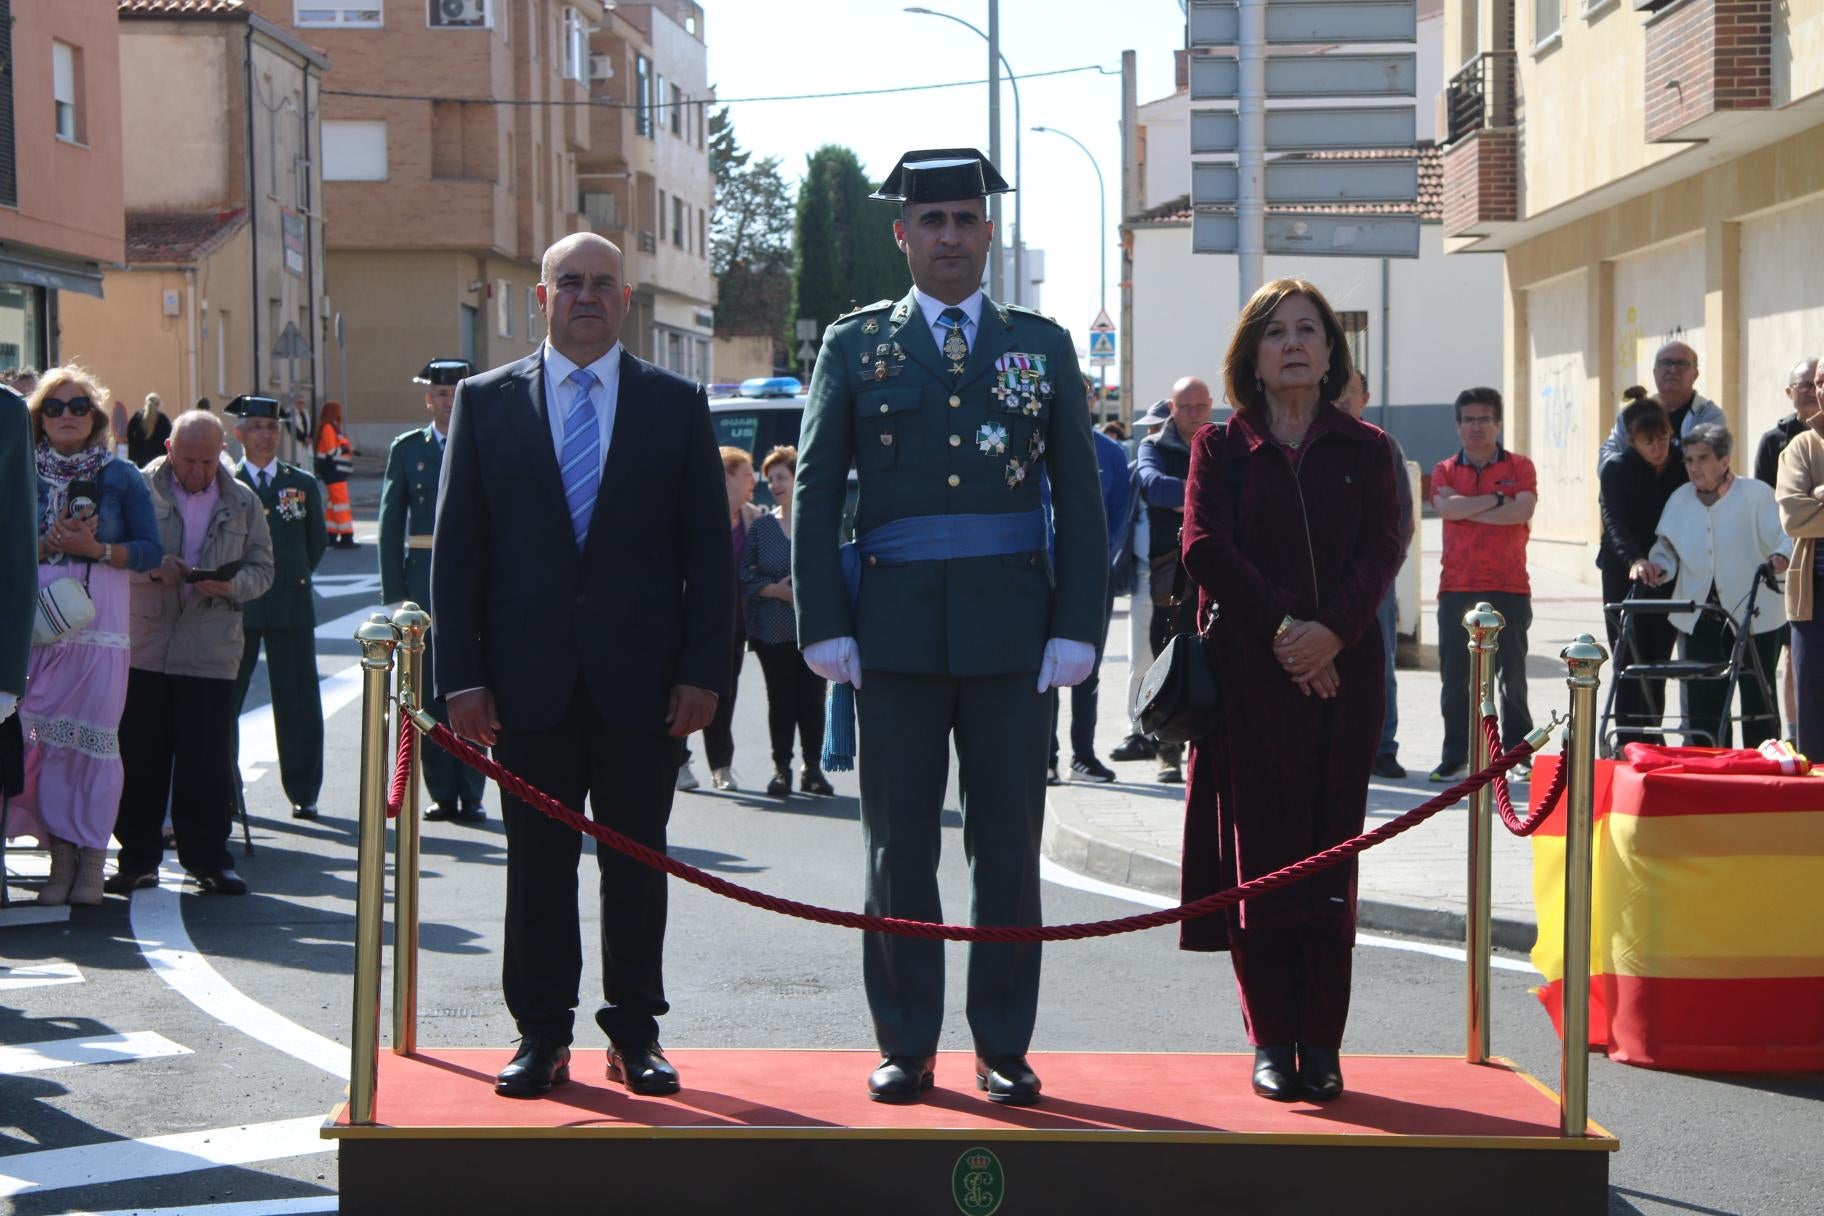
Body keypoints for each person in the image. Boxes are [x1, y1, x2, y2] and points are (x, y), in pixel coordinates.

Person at [793, 147, 1105, 1107]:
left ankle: (1003, 1044)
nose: (952, 237)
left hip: (1013, 633)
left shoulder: (1040, 346)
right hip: (893, 635)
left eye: (968, 220)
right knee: (898, 850)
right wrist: (824, 622)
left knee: (1007, 849)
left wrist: (1076, 624)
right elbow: (814, 490)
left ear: (987, 232)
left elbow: (1079, 498)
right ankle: (907, 1042)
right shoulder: (856, 346)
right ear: (903, 235)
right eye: (933, 222)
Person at [433, 231, 731, 1100]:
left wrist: (704, 672)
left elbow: (708, 558)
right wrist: (463, 678)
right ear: (541, 298)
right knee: (537, 869)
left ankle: (635, 1032)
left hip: (646, 689)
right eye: (571, 283)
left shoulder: (675, 405)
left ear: (626, 300)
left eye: (604, 284)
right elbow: (458, 555)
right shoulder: (485, 405)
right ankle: (541, 1033)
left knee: (637, 865)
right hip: (525, 689)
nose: (587, 297)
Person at [1179, 278, 1401, 1103]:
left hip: (1343, 684)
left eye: (1310, 329)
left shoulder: (1368, 449)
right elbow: (1202, 546)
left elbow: (1384, 547)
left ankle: (1323, 1042)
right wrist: (1285, 633)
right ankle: (1272, 1040)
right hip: (1251, 686)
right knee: (1262, 866)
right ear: (1253, 356)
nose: (1296, 343)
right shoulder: (1220, 449)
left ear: (1332, 350)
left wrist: (1331, 634)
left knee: (1329, 868)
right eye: (1277, 332)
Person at [7, 368, 161, 904]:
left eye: (77, 407)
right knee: (38, 741)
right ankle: (60, 857)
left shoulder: (121, 476)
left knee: (93, 745)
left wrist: (98, 551)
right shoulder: (19, 471)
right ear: (38, 419)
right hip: (38, 620)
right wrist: (46, 547)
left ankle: (92, 857)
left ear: (94, 418)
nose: (66, 416)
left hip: (100, 622)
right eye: (53, 408)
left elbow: (150, 550)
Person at [110, 410, 274, 896]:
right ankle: (137, 858)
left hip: (210, 647)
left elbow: (264, 568)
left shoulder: (243, 500)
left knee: (207, 761)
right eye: (188, 460)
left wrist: (231, 585)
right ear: (168, 450)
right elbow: (111, 554)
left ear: (221, 454)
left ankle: (208, 860)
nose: (198, 471)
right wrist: (149, 568)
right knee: (140, 757)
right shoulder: (136, 490)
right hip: (147, 645)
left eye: (207, 461)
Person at [378, 358, 487, 824]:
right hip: (421, 580)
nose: (447, 401)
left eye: (455, 392)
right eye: (440, 394)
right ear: (429, 399)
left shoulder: (486, 440)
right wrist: (394, 595)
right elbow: (388, 526)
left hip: (477, 579)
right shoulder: (407, 450)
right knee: (424, 691)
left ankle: (474, 788)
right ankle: (442, 792)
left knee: (475, 681)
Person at [1646, 423, 1790, 747]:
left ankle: (1762, 767)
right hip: (1701, 616)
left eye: (1703, 459)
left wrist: (1780, 557)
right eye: (1689, 460)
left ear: (1724, 460)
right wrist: (1659, 568)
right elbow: (1666, 549)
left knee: (1758, 700)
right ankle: (1710, 770)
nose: (1694, 467)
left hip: (1757, 615)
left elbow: (1786, 537)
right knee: (1704, 701)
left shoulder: (1757, 494)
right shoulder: (1680, 499)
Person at [1429, 388, 1538, 781]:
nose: (1477, 427)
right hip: (1457, 586)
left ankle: (1517, 754)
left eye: (1484, 419)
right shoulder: (1443, 470)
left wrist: (1467, 509)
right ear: (1458, 427)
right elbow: (1445, 508)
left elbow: (1522, 511)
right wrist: (1497, 499)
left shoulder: (1521, 466)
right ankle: (1455, 753)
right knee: (1456, 677)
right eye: (1469, 420)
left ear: (1498, 423)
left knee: (1512, 675)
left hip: (1509, 586)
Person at [228, 394, 327, 820]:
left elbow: (315, 542)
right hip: (238, 606)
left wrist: (293, 573)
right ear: (239, 434)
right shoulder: (226, 483)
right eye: (255, 428)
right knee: (225, 699)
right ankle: (225, 788)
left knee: (298, 699)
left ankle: (303, 789)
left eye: (270, 428)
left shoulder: (300, 484)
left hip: (290, 602)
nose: (264, 436)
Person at [1046, 377, 1133, 784]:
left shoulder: (1112, 455)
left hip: (1091, 581)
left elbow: (1118, 519)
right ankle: (1046, 757)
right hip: (1041, 577)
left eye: (1083, 396)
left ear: (1094, 401)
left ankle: (1083, 756)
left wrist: (1094, 564)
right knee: (1041, 669)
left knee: (1089, 671)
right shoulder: (1035, 446)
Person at [739, 445, 832, 798]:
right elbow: (742, 576)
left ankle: (813, 768)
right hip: (772, 631)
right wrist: (774, 590)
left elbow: (838, 568)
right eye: (770, 479)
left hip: (813, 630)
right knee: (781, 701)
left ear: (797, 478)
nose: (775, 484)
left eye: (781, 477)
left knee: (813, 700)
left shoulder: (817, 522)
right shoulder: (762, 527)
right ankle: (781, 769)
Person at [1336, 369, 1415, 779]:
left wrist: (1382, 575)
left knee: (1380, 665)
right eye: (1335, 391)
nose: (1342, 400)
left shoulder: (1383, 447)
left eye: (1350, 392)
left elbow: (1402, 519)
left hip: (1375, 584)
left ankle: (1383, 746)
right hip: (1325, 584)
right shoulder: (1316, 444)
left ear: (1365, 397)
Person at [1597, 397, 1688, 747]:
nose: (1658, 447)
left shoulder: (1681, 465)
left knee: (1658, 661)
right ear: (1632, 440)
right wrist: (1635, 559)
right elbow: (1614, 524)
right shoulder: (1617, 468)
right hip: (1625, 574)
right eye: (1648, 440)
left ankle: (1652, 736)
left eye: (1663, 437)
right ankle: (1629, 740)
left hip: (1667, 571)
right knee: (1629, 661)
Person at [1136, 376, 1214, 783]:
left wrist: (1182, 497)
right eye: (1184, 407)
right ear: (1171, 406)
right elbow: (1151, 486)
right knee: (1168, 663)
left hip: (1217, 575)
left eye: (1200, 407)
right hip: (1172, 579)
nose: (1192, 414)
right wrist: (1203, 495)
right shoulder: (1153, 445)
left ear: (1211, 406)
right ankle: (1168, 752)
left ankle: (1212, 752)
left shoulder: (1221, 442)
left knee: (1215, 664)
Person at [693, 446, 765, 793]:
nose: (755, 480)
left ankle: (721, 766)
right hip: (695, 624)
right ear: (726, 477)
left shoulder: (754, 518)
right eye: (746, 473)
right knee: (684, 691)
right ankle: (678, 762)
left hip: (735, 628)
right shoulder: (700, 515)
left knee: (725, 696)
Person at [1753, 358, 1818, 726]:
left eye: (1816, 383)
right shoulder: (1775, 442)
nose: (1810, 390)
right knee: (1795, 653)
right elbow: (1778, 510)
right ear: (1789, 393)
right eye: (1803, 385)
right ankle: (1795, 733)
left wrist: (1811, 500)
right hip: (1787, 562)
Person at [1111, 399, 1172, 765]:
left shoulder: (1188, 464)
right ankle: (1140, 731)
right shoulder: (1137, 472)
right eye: (1150, 427)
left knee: (1177, 659)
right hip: (1145, 580)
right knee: (1141, 661)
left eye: (1159, 426)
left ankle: (1170, 733)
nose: (1152, 434)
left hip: (1179, 582)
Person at [1776, 357, 1824, 757]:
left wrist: (1820, 496)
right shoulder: (1802, 447)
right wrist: (1810, 501)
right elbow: (1794, 516)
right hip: (1815, 601)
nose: (1820, 390)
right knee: (1815, 719)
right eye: (1818, 382)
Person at [1598, 341, 1723, 468]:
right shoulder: (1635, 413)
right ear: (1654, 372)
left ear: (1695, 374)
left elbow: (1705, 467)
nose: (1673, 369)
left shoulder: (1708, 415)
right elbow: (1605, 458)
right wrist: (1626, 471)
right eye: (1666, 363)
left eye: (1681, 364)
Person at [1753, 359, 1818, 487]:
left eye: (1819, 384)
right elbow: (1763, 494)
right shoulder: (1772, 441)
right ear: (1789, 392)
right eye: (1805, 385)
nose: (1812, 392)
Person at [315, 400, 357, 547]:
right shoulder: (328, 428)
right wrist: (346, 450)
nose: (341, 414)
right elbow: (332, 451)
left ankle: (331, 534)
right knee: (341, 503)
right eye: (338, 410)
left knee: (334, 503)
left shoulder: (331, 427)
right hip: (333, 471)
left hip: (334, 471)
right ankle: (346, 536)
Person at [126, 392, 172, 468]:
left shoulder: (137, 418)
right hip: (158, 463)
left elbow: (130, 438)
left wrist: (132, 458)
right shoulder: (163, 420)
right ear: (158, 404)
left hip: (141, 462)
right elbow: (169, 439)